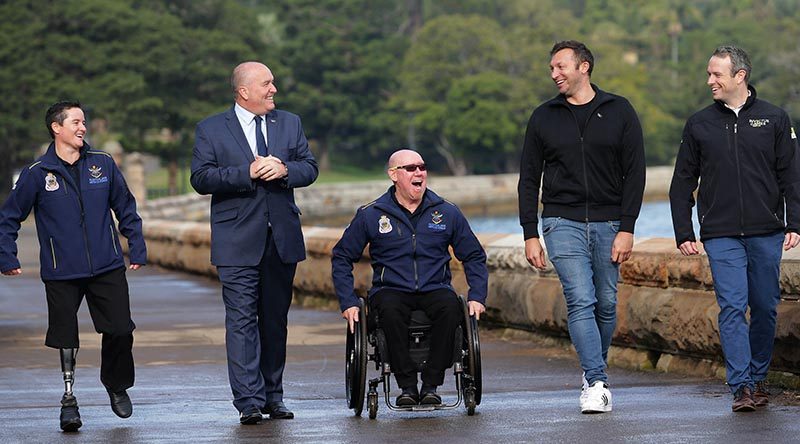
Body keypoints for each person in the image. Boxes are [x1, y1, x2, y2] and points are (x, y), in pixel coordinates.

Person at [0, 101, 146, 432]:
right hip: (61, 269)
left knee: (121, 329)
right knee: (66, 336)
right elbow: (8, 217)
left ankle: (116, 383)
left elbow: (126, 206)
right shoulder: (37, 174)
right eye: (76, 122)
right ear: (57, 127)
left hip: (107, 266)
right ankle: (68, 400)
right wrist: (6, 255)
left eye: (84, 122)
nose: (83, 127)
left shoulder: (103, 164)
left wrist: (136, 245)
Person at [669, 45, 800, 412]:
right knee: (731, 307)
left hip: (766, 231)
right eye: (709, 74)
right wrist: (684, 231)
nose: (710, 80)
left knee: (765, 306)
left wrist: (796, 223)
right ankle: (741, 386)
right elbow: (682, 182)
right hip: (720, 233)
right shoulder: (699, 124)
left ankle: (759, 377)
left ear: (739, 76)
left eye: (716, 74)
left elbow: (792, 177)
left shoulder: (774, 119)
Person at [518, 40, 645, 414]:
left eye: (561, 67)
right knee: (581, 299)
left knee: (606, 303)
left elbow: (635, 172)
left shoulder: (619, 110)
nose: (555, 74)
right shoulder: (543, 116)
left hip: (610, 221)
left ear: (584, 67)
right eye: (552, 68)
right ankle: (596, 380)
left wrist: (627, 227)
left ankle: (595, 369)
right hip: (561, 221)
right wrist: (529, 232)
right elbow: (529, 178)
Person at [190, 61, 318, 424]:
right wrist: (244, 173)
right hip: (236, 241)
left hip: (282, 240)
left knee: (274, 320)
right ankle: (248, 400)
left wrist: (286, 170)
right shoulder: (211, 128)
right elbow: (200, 178)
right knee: (242, 321)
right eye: (267, 84)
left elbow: (310, 166)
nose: (273, 89)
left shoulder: (289, 123)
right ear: (244, 91)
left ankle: (273, 395)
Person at [332, 149, 488, 406]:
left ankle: (430, 385)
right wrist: (348, 301)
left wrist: (478, 296)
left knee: (450, 308)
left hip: (435, 286)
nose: (419, 173)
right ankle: (406, 386)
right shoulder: (371, 214)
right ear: (394, 175)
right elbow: (341, 257)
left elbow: (474, 255)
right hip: (390, 288)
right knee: (390, 311)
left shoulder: (446, 212)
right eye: (411, 168)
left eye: (422, 167)